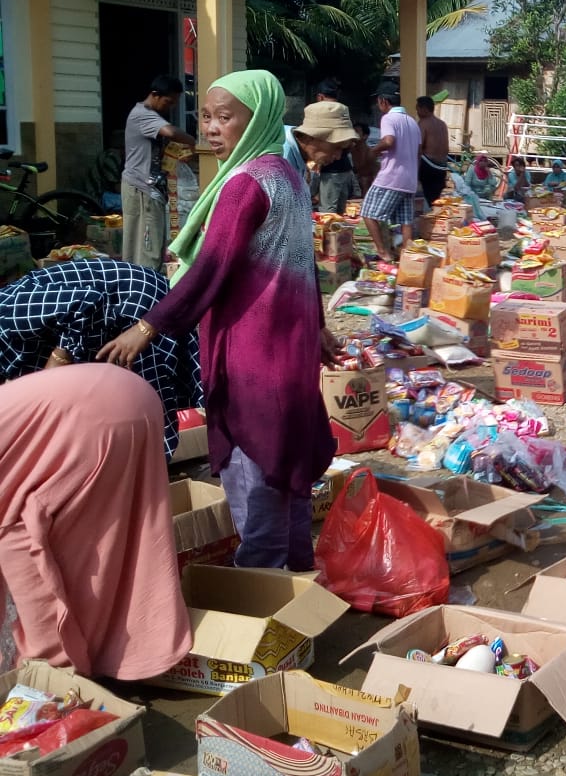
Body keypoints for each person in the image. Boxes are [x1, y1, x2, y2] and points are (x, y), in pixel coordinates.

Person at [99, 70, 336, 571]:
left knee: (259, 475)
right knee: (285, 473)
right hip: (288, 352)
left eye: (226, 117)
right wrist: (315, 326)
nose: (211, 128)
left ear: (258, 119)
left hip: (254, 356)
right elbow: (302, 262)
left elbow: (210, 268)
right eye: (206, 116)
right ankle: (297, 581)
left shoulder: (245, 186)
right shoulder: (287, 175)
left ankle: (262, 593)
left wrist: (148, 326)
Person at [0, 364, 193, 678]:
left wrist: (40, 662)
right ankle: (116, 651)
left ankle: (56, 672)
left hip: (89, 420)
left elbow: (15, 546)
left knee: (39, 549)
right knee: (114, 540)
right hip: (133, 394)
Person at [0, 259, 201, 461]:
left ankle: (149, 476)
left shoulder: (8, 315)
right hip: (97, 328)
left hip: (131, 305)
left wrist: (58, 359)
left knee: (146, 405)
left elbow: (85, 302)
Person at [122, 75, 198, 270]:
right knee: (149, 248)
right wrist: (195, 142)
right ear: (155, 95)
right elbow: (172, 133)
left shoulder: (150, 115)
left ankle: (138, 285)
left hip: (150, 187)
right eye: (169, 101)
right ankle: (145, 290)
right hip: (142, 189)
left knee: (147, 245)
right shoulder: (143, 114)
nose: (171, 107)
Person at [362, 85, 422, 261]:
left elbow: (388, 141)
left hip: (391, 177)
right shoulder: (412, 121)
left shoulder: (389, 118)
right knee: (405, 220)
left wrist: (373, 151)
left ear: (383, 101)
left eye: (378, 101)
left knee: (368, 213)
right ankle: (408, 256)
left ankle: (383, 252)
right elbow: (418, 152)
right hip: (409, 179)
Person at [293, 101, 362, 212]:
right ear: (311, 137)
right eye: (336, 147)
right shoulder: (282, 156)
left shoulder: (299, 155)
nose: (338, 156)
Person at [312, 80, 360, 213]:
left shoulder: (322, 112)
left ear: (320, 97)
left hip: (331, 171)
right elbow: (351, 142)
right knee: (340, 215)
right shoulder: (343, 111)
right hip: (345, 170)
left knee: (327, 214)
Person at [416, 95, 451, 207]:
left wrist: (415, 169)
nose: (416, 111)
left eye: (417, 108)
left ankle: (428, 222)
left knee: (426, 200)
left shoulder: (423, 123)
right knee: (436, 201)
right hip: (442, 167)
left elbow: (418, 147)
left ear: (424, 109)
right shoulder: (442, 124)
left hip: (428, 166)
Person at [351, 121, 378, 196]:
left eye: (356, 132)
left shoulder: (370, 153)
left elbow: (375, 174)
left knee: (365, 180)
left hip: (367, 185)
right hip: (355, 183)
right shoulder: (349, 151)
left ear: (365, 136)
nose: (353, 135)